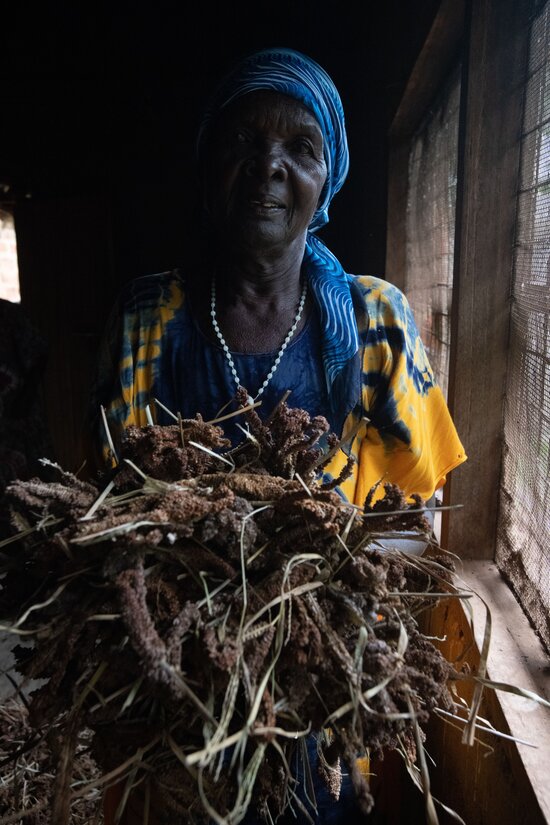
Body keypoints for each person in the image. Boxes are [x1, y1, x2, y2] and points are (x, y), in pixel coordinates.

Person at [92, 46, 467, 824]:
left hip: (319, 688)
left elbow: (416, 527)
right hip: (178, 691)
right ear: (207, 167)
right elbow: (110, 521)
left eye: (300, 147)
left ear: (326, 178)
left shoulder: (378, 325)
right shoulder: (147, 322)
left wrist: (309, 580)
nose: (269, 166)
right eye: (242, 143)